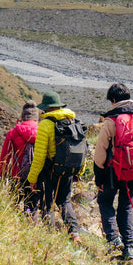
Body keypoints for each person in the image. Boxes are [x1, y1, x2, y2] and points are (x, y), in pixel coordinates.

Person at [93, 83, 133, 260]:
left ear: (113, 100)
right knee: (127, 206)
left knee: (105, 202)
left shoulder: (111, 121)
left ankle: (113, 239)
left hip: (113, 172)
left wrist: (98, 176)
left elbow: (100, 152)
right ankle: (129, 247)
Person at [27, 91, 82, 243]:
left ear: (47, 108)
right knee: (65, 201)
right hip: (69, 170)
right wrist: (79, 172)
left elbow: (38, 156)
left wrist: (32, 178)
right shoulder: (73, 121)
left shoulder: (45, 125)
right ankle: (74, 233)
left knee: (47, 203)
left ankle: (49, 237)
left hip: (51, 172)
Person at [0, 100, 42, 215]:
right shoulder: (42, 133)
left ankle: (13, 226)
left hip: (17, 175)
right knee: (32, 207)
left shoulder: (13, 133)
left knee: (13, 205)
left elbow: (5, 157)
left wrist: (2, 175)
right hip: (36, 176)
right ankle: (31, 226)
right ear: (36, 117)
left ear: (23, 116)